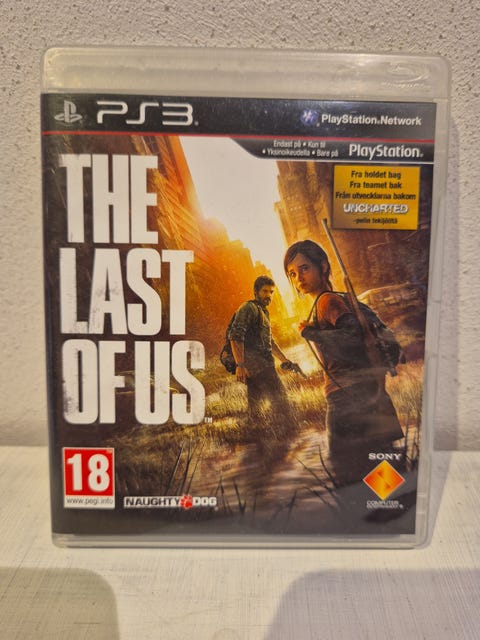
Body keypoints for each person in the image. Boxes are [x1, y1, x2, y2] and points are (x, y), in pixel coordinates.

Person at [283, 240, 403, 462]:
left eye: (304, 268)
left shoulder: (327, 301)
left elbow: (352, 336)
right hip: (365, 392)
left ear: (323, 266)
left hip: (347, 397)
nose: (298, 278)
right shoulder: (326, 302)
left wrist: (310, 333)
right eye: (292, 273)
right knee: (380, 465)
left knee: (348, 468)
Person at [229, 275, 297, 437]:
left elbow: (269, 341)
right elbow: (235, 336)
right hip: (258, 367)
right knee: (281, 402)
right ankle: (287, 435)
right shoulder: (249, 308)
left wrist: (284, 359)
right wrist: (240, 365)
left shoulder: (263, 312)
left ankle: (257, 438)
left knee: (256, 408)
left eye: (271, 292)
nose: (268, 295)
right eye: (265, 291)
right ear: (256, 292)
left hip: (262, 366)